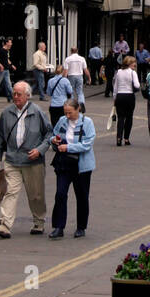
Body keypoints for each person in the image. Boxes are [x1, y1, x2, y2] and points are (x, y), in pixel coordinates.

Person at [0, 82, 54, 240]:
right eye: (14, 93)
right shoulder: (6, 113)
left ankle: (39, 221)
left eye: (19, 94)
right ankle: (4, 225)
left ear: (27, 96)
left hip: (33, 162)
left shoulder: (37, 112)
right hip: (12, 160)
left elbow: (49, 134)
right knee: (10, 192)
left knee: (36, 195)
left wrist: (39, 150)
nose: (15, 97)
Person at [49, 98, 97, 238]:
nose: (68, 116)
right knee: (60, 194)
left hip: (81, 165)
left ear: (78, 110)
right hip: (64, 163)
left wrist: (68, 147)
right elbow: (53, 135)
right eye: (66, 113)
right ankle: (58, 227)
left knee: (82, 196)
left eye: (70, 113)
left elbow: (87, 144)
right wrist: (54, 140)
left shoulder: (87, 123)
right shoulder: (62, 121)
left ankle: (81, 227)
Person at [113, 55, 139, 146]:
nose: (135, 64)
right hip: (129, 96)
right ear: (129, 63)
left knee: (120, 118)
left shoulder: (119, 72)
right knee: (129, 117)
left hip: (120, 96)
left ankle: (119, 138)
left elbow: (115, 87)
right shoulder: (133, 73)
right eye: (133, 62)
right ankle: (126, 138)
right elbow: (137, 85)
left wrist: (114, 98)